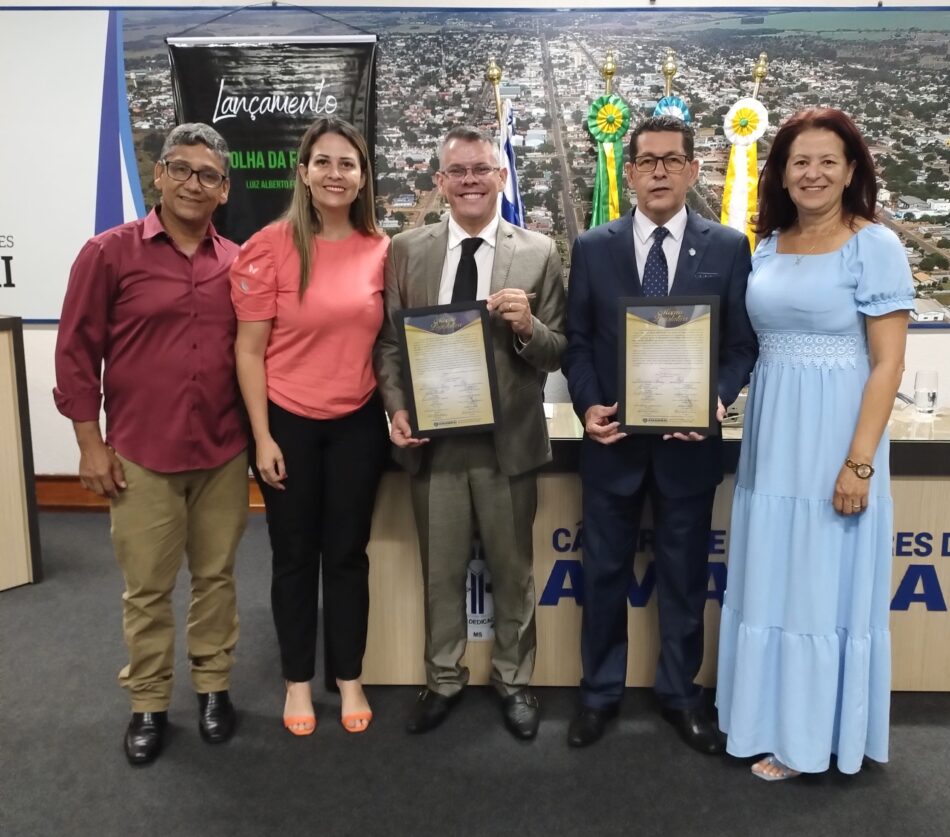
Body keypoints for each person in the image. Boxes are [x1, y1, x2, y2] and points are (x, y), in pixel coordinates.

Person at [715, 108, 914, 780]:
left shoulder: (874, 245)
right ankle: (763, 721)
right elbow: (753, 344)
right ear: (782, 173)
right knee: (773, 576)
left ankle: (811, 741)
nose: (813, 173)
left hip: (837, 439)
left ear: (852, 169)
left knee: (819, 587)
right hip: (773, 440)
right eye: (800, 161)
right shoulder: (767, 245)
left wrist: (859, 462)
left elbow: (887, 363)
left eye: (828, 160)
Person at [54, 123, 248, 765]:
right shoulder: (109, 253)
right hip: (141, 453)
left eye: (209, 175)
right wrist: (90, 444)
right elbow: (76, 353)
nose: (195, 183)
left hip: (223, 450)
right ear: (158, 175)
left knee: (217, 578)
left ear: (224, 190)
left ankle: (215, 688)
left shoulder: (237, 261)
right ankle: (148, 701)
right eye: (182, 169)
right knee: (147, 588)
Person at [562, 115, 757, 751]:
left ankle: (680, 696)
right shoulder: (594, 246)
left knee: (683, 578)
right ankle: (599, 696)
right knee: (604, 575)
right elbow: (580, 342)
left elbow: (739, 346)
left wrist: (715, 401)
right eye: (647, 161)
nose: (660, 172)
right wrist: (588, 407)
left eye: (674, 161)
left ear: (694, 170)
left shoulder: (727, 247)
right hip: (613, 444)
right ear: (630, 173)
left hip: (688, 450)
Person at [374, 126, 567, 740]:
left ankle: (515, 680)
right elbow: (389, 344)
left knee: (513, 572)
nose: (470, 181)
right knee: (442, 570)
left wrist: (527, 325)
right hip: (435, 444)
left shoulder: (538, 252)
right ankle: (442, 678)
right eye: (456, 171)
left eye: (481, 169)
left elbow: (558, 351)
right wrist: (396, 408)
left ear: (501, 176)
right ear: (440, 182)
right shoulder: (406, 250)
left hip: (508, 444)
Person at [232, 117, 389, 737]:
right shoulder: (267, 247)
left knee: (348, 556)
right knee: (294, 557)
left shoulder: (383, 248)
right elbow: (248, 351)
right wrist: (262, 436)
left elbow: (392, 345)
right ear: (303, 173)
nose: (334, 174)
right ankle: (297, 679)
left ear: (361, 177)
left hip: (358, 422)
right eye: (322, 162)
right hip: (287, 423)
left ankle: (347, 674)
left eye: (346, 164)